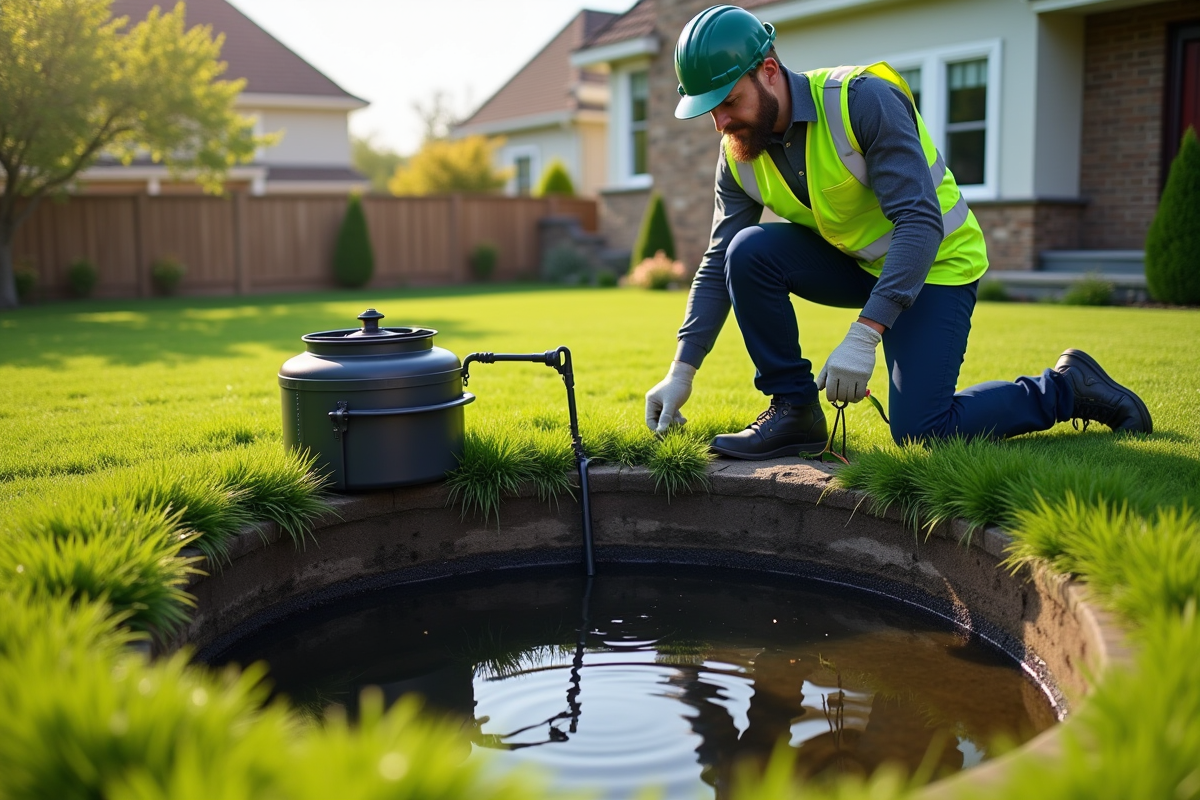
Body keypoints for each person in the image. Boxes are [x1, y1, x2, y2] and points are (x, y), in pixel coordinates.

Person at [644, 5, 1151, 459]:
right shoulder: (740, 153)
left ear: (769, 71)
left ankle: (1067, 388)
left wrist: (864, 336)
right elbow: (717, 263)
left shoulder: (862, 100)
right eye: (710, 109)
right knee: (745, 250)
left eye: (728, 102)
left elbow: (920, 222)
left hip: (936, 264)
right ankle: (794, 411)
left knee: (923, 433)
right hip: (860, 265)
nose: (720, 123)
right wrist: (681, 371)